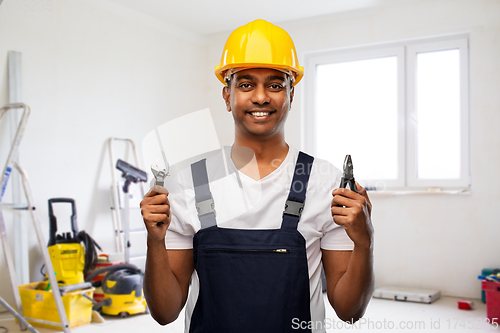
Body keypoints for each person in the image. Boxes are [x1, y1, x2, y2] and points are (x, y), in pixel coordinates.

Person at [140, 19, 374, 333]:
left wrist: (364, 242)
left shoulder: (324, 182)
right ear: (227, 96)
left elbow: (349, 312)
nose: (261, 97)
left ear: (292, 93)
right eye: (246, 84)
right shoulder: (188, 183)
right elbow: (165, 312)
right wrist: (154, 242)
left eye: (275, 85)